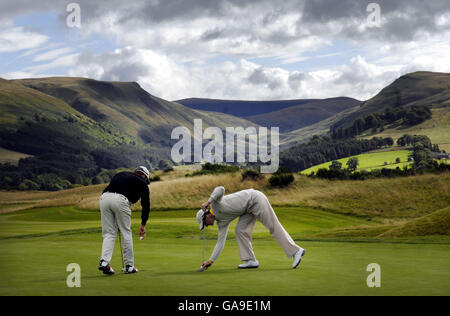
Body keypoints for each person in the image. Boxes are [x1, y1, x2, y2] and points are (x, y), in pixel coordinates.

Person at [196, 186, 306, 270]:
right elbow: (220, 243)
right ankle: (251, 260)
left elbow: (221, 189)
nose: (207, 226)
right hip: (247, 210)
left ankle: (296, 251)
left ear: (206, 215)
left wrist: (208, 201)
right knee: (240, 231)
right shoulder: (221, 223)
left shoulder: (215, 203)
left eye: (204, 223)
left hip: (255, 199)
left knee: (272, 226)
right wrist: (211, 261)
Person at [98, 166, 150, 275]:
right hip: (121, 200)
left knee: (109, 233)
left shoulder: (121, 174)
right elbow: (146, 205)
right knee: (126, 232)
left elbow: (107, 190)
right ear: (144, 176)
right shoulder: (143, 183)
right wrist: (143, 224)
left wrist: (115, 215)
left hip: (104, 198)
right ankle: (129, 266)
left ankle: (104, 262)